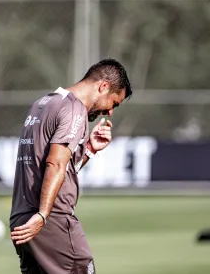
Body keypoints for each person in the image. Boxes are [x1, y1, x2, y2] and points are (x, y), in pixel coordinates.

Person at [9, 58, 133, 274]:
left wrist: (89, 150)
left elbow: (56, 165)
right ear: (103, 87)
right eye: (113, 103)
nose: (110, 112)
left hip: (22, 218)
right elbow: (55, 163)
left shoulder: (42, 103)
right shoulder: (74, 109)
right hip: (51, 220)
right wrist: (43, 216)